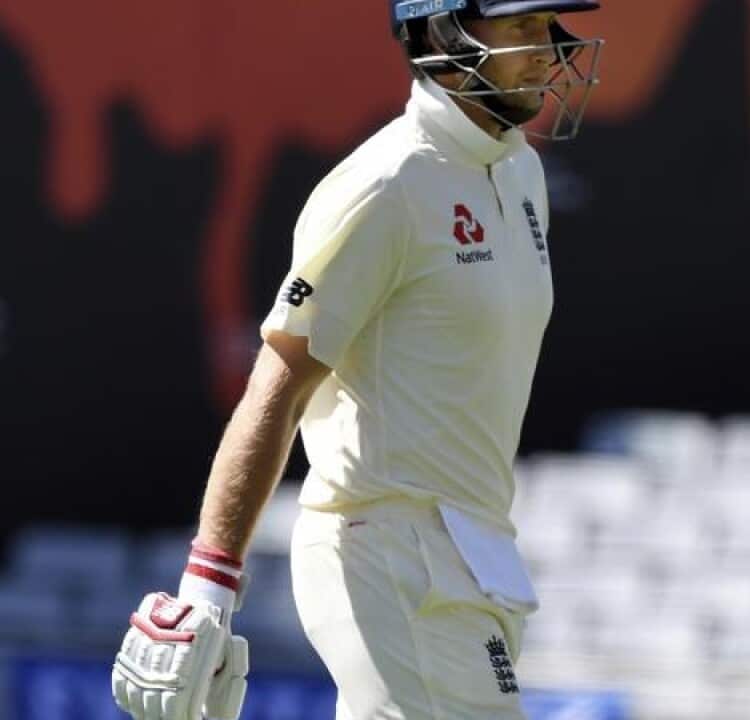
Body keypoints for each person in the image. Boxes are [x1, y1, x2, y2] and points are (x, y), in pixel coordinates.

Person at [111, 1, 603, 717]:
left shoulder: (521, 173)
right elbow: (279, 381)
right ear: (444, 33)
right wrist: (208, 588)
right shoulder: (386, 183)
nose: (549, 48)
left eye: (549, 25)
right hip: (386, 551)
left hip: (474, 554)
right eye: (522, 26)